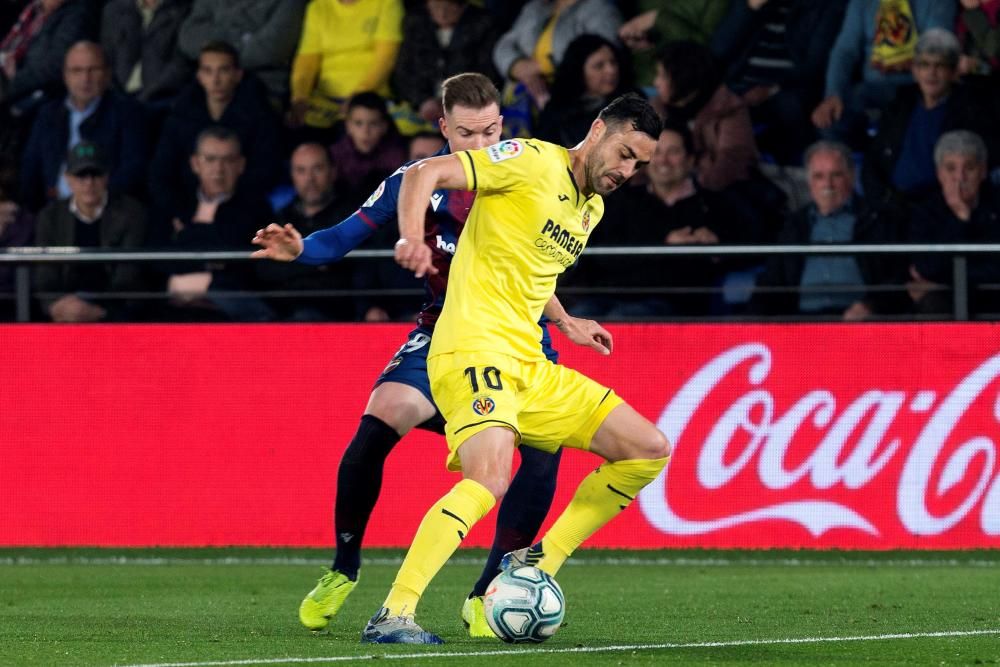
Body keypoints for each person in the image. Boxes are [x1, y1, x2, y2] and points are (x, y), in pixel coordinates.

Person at [252, 72, 609, 639]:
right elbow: (340, 237)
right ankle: (345, 568)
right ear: (444, 129)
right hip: (442, 336)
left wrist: (564, 322)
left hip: (517, 341)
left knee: (542, 460)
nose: (483, 145)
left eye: (492, 130)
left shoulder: (520, 173)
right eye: (468, 133)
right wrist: (300, 250)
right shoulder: (419, 181)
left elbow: (535, 269)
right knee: (375, 427)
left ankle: (487, 593)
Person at [363, 93, 669, 644]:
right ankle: (394, 614)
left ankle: (532, 571)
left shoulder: (591, 208)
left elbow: (531, 268)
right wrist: (410, 236)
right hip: (473, 348)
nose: (627, 170)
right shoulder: (529, 159)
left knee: (647, 449)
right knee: (491, 477)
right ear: (598, 129)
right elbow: (426, 172)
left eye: (639, 165)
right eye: (624, 153)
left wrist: (567, 321)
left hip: (529, 360)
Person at [569, 120, 745, 317]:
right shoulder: (622, 201)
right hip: (612, 296)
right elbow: (603, 255)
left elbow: (739, 257)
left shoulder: (714, 205)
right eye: (657, 152)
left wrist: (714, 248)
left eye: (673, 152)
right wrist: (666, 245)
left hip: (674, 305)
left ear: (690, 160)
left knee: (620, 320)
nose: (663, 160)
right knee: (573, 319)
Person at [751, 140, 903, 319]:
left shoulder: (876, 219)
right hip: (802, 324)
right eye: (819, 176)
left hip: (860, 323)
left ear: (852, 176)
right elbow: (771, 281)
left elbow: (897, 278)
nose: (827, 185)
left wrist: (872, 306)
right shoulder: (795, 225)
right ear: (809, 183)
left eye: (836, 175)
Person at [862, 29, 995, 218]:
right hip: (891, 208)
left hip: (940, 212)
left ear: (953, 71)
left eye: (939, 65)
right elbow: (873, 159)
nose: (931, 73)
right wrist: (883, 200)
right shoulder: (900, 103)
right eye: (924, 65)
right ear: (915, 71)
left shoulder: (971, 107)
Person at [147, 40, 280, 225]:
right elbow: (161, 173)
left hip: (243, 213)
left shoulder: (260, 116)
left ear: (238, 75)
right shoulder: (180, 115)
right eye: (208, 71)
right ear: (199, 76)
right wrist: (182, 213)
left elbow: (265, 172)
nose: (215, 80)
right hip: (185, 210)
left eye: (223, 70)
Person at [710, 0, 848, 164]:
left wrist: (771, 89)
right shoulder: (749, 4)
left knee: (793, 105)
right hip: (738, 86)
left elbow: (814, 64)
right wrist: (749, 8)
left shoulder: (825, 6)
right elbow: (719, 52)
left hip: (787, 88)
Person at [161, 126, 273, 321]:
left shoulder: (257, 210)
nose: (219, 169)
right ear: (195, 163)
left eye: (228, 160)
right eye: (210, 159)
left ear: (241, 165)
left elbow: (248, 274)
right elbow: (158, 265)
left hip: (229, 316)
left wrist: (195, 282)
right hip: (172, 314)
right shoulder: (175, 204)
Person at [19, 40, 147, 212]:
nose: (85, 78)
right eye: (76, 70)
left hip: (107, 210)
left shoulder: (127, 113)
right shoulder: (48, 114)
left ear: (108, 74)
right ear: (65, 76)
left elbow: (133, 172)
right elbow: (30, 171)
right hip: (52, 212)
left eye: (93, 70)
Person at [810, 0, 956, 147]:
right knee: (829, 122)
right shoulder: (862, 3)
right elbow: (845, 51)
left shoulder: (938, 2)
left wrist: (904, 63)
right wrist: (834, 94)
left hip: (918, 87)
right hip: (871, 89)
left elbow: (936, 49)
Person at [34, 140, 146, 322]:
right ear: (68, 179)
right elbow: (45, 276)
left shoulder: (131, 213)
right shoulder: (50, 217)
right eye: (81, 175)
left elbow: (128, 277)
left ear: (106, 177)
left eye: (95, 174)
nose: (89, 183)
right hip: (65, 312)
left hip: (115, 314)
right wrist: (56, 306)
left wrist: (101, 313)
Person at [254, 142, 357, 321]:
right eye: (301, 171)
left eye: (317, 169)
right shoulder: (279, 218)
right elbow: (265, 270)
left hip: (336, 314)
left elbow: (350, 272)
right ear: (292, 175)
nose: (310, 178)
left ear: (333, 171)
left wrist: (291, 258)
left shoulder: (352, 217)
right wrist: (317, 261)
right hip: (279, 312)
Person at [906, 130, 1000, 317]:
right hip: (945, 304)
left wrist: (945, 280)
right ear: (939, 173)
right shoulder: (922, 210)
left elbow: (996, 270)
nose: (960, 177)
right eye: (951, 168)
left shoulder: (996, 205)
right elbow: (926, 266)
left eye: (969, 168)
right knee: (932, 305)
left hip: (992, 297)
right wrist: (960, 218)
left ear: (982, 172)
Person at [287, 0, 403, 131]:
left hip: (371, 97)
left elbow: (386, 58)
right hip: (326, 99)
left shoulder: (387, 3)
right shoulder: (317, 7)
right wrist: (300, 96)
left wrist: (357, 97)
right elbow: (307, 60)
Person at [177, 0, 307, 105]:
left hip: (263, 87)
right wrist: (242, 37)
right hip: (206, 85)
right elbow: (188, 37)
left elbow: (270, 49)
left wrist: (215, 43)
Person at [392, 0, 499, 126]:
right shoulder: (415, 23)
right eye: (436, 7)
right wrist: (422, 101)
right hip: (421, 107)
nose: (442, 14)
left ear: (463, 6)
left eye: (449, 8)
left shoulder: (483, 24)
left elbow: (486, 74)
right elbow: (404, 72)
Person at [535, 34, 635, 147]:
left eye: (613, 62)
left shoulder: (632, 102)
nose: (611, 70)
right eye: (599, 66)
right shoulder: (556, 111)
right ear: (579, 72)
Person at [100, 0, 192, 106]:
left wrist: (145, 98)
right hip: (119, 98)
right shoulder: (114, 9)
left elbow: (180, 65)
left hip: (164, 99)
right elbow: (105, 59)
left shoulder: (183, 9)